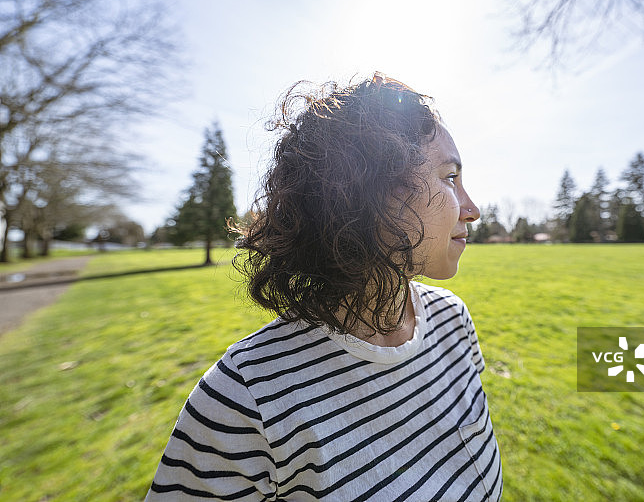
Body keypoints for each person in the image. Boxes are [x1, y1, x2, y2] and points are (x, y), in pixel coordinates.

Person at [145, 73, 502, 501]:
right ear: (363, 191)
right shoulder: (246, 396)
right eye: (449, 177)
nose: (473, 209)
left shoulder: (452, 318)